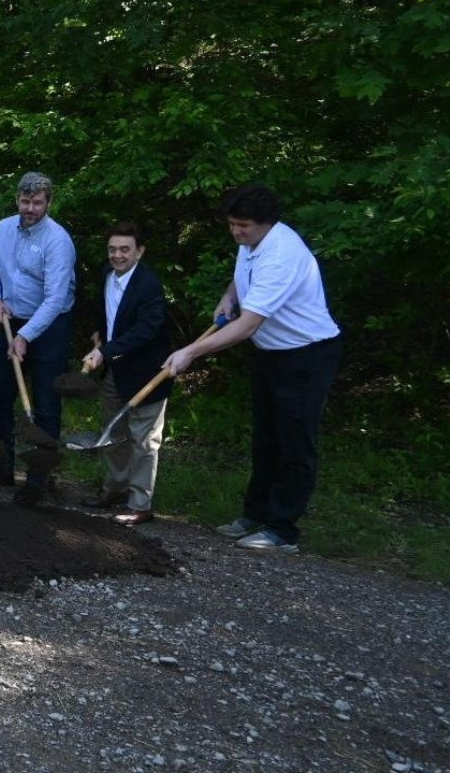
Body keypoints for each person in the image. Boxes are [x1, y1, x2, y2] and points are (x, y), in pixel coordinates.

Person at [165, 184, 340, 554]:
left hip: (306, 355)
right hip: (271, 354)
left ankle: (282, 530)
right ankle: (254, 514)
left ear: (267, 222)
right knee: (265, 438)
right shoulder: (251, 243)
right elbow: (242, 276)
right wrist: (228, 295)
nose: (236, 232)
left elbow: (247, 325)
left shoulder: (281, 255)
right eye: (231, 224)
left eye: (242, 225)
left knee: (295, 444)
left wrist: (191, 352)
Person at [0, 171, 76, 505]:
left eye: (37, 202)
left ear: (49, 202)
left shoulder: (58, 240)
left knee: (46, 405)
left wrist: (24, 336)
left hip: (50, 326)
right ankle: (2, 467)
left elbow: (54, 299)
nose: (30, 208)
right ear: (17, 199)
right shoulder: (2, 230)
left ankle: (38, 479)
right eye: (25, 201)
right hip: (9, 319)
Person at [80, 222, 174, 525]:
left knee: (144, 440)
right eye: (112, 249)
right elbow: (106, 314)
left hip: (148, 373)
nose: (117, 255)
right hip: (115, 372)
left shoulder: (149, 284)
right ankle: (115, 489)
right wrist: (98, 337)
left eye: (125, 249)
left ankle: (140, 504)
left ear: (140, 251)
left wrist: (104, 352)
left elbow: (146, 330)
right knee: (113, 434)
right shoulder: (107, 275)